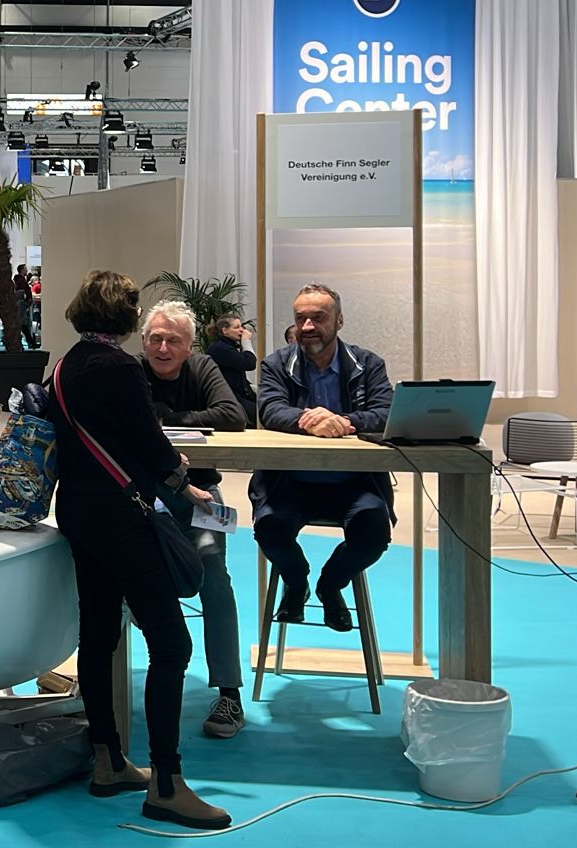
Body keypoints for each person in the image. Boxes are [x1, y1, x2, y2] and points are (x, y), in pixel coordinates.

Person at [50, 271, 230, 830]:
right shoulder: (121, 368)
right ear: (128, 319)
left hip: (76, 512)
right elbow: (150, 443)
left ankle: (107, 761)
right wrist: (186, 484)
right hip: (122, 517)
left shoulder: (64, 366)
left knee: (98, 636)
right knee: (172, 646)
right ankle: (169, 785)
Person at [253, 284, 395, 632]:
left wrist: (345, 422)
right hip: (290, 481)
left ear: (339, 321)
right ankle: (296, 580)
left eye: (318, 318)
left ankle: (330, 585)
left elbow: (386, 411)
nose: (307, 327)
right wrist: (312, 421)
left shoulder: (369, 364)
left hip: (355, 482)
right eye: (300, 318)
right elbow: (270, 410)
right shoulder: (276, 364)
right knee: (269, 528)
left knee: (374, 531)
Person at [140, 302, 248, 740]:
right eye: (155, 339)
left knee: (215, 577)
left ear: (188, 347)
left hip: (201, 495)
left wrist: (169, 419)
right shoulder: (131, 371)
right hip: (145, 496)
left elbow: (234, 415)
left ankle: (229, 693)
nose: (163, 348)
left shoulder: (203, 367)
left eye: (173, 341)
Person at [202, 315, 259, 430]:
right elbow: (249, 363)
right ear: (225, 330)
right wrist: (246, 342)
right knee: (260, 414)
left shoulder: (226, 346)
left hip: (239, 395)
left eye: (241, 326)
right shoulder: (219, 348)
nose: (242, 330)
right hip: (229, 399)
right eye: (237, 327)